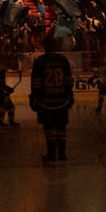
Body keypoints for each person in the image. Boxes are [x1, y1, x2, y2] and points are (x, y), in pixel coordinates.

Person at [28, 35, 74, 164]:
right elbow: (69, 82)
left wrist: (34, 98)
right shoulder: (63, 60)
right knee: (61, 128)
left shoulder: (40, 62)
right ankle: (63, 155)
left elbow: (35, 84)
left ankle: (52, 155)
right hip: (62, 100)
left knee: (49, 128)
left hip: (45, 101)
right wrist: (70, 96)